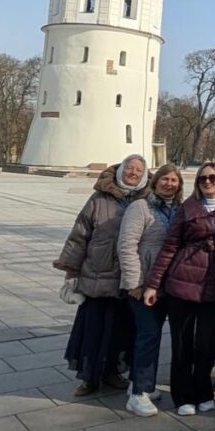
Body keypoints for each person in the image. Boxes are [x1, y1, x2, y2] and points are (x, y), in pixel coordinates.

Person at [144, 163, 215, 416]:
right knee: (182, 343)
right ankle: (183, 395)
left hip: (214, 286)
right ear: (197, 183)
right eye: (203, 178)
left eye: (213, 178)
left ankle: (203, 390)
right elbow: (170, 246)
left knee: (206, 344)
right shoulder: (188, 208)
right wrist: (153, 284)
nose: (208, 182)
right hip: (183, 282)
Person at [55, 154, 149, 395]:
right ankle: (89, 377)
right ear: (120, 170)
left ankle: (112, 373)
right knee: (93, 330)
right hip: (98, 274)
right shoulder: (99, 199)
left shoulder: (147, 199)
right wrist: (72, 269)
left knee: (120, 329)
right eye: (129, 168)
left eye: (138, 170)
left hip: (127, 278)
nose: (133, 173)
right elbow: (80, 233)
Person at [118, 164, 184, 416]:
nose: (169, 184)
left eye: (174, 180)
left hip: (169, 285)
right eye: (164, 179)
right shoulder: (140, 207)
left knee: (151, 336)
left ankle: (141, 383)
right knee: (148, 336)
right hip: (144, 284)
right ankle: (138, 395)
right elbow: (127, 245)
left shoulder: (178, 209)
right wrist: (134, 283)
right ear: (154, 182)